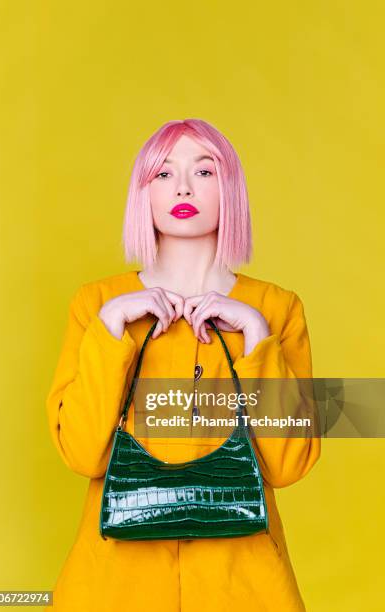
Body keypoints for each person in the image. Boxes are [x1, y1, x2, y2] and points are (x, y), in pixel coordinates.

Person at [46, 118, 320, 611]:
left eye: (205, 171)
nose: (184, 188)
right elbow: (82, 455)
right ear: (142, 193)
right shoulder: (97, 304)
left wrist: (255, 338)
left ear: (229, 187)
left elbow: (289, 464)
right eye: (163, 174)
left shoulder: (277, 309)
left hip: (245, 587)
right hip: (112, 586)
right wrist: (111, 329)